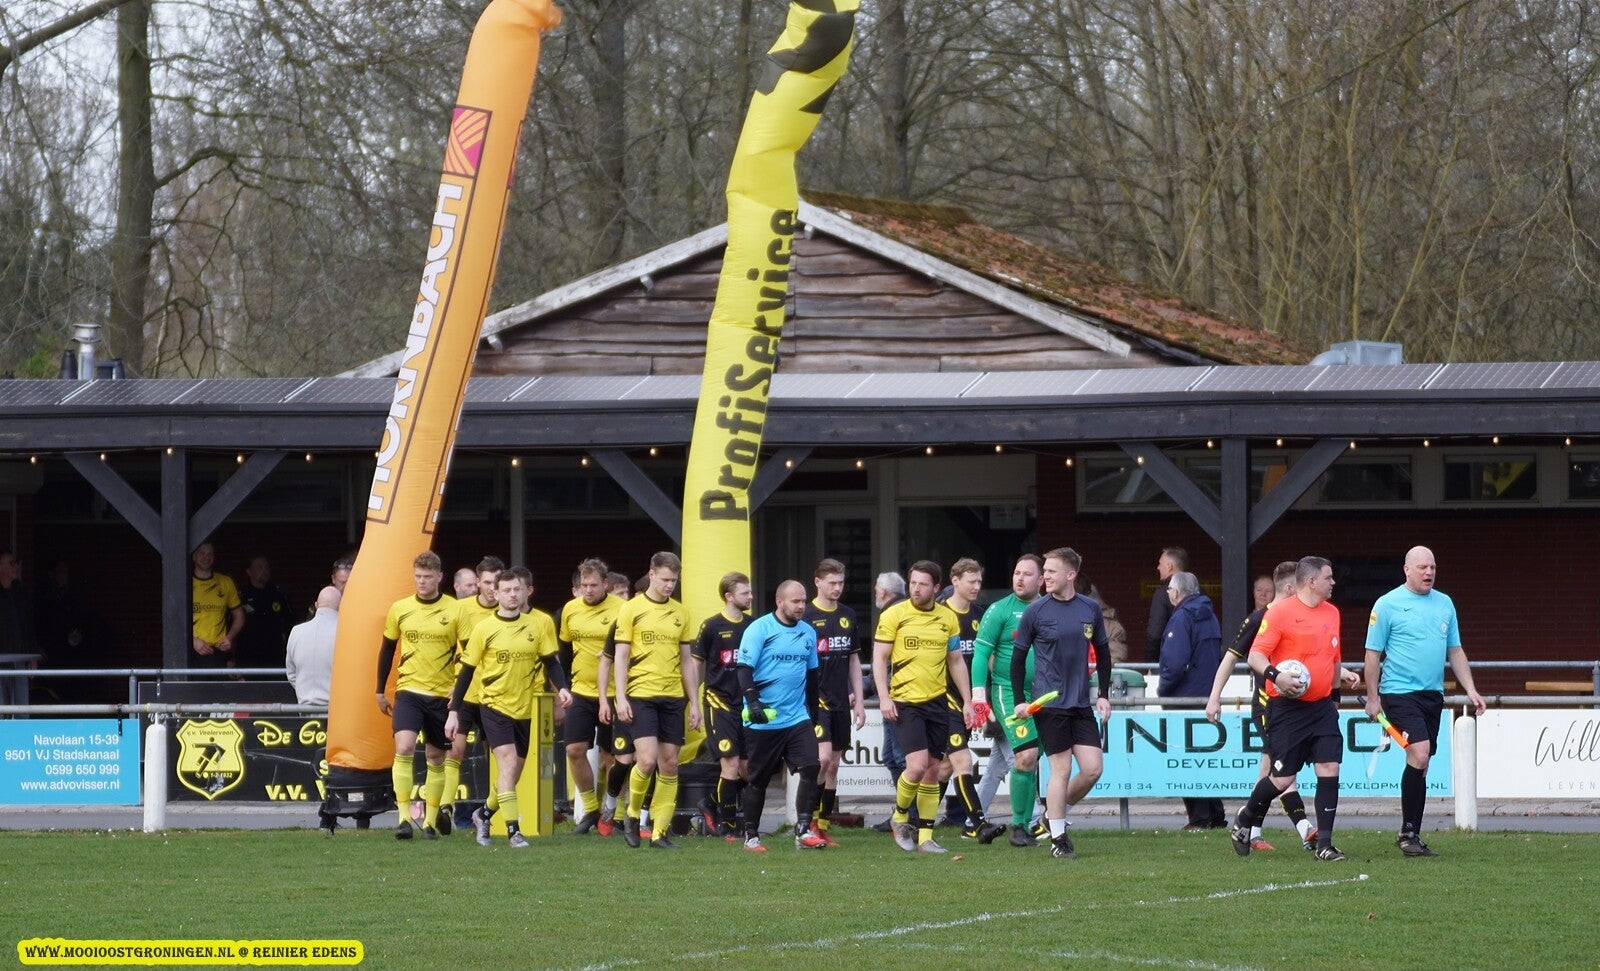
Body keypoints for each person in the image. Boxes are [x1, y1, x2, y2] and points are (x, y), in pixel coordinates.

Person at [1229, 556, 1362, 862]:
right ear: (1311, 582)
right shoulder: (1279, 613)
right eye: (1328, 578)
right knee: (1282, 779)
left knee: (1329, 767)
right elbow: (1256, 656)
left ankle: (1324, 844)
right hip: (1287, 709)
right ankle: (1245, 819)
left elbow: (1334, 658)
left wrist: (1335, 696)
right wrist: (1276, 676)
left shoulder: (1332, 612)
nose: (1333, 583)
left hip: (1322, 707)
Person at [1364, 546, 1486, 858]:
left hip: (1432, 695)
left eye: (1432, 567)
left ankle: (1411, 834)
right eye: (1422, 567)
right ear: (1407, 570)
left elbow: (1455, 650)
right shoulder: (1387, 604)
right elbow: (1372, 655)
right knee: (1419, 753)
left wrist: (1471, 689)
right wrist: (1373, 698)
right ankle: (1408, 834)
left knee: (1422, 761)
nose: (1428, 572)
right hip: (1398, 692)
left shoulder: (1445, 603)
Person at [446, 567, 571, 848]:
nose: (512, 595)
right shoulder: (484, 629)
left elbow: (551, 662)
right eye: (506, 590)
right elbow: (466, 672)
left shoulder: (536, 625)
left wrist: (562, 688)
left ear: (525, 591)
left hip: (524, 709)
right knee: (508, 763)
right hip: (493, 706)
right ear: (496, 593)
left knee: (512, 773)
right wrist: (454, 711)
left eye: (517, 589)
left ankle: (483, 814)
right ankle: (514, 831)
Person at [1205, 561, 1315, 851]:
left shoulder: (1297, 618)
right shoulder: (1259, 618)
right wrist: (1215, 696)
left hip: (1292, 708)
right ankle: (1305, 829)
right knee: (1283, 772)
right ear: (1290, 588)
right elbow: (1230, 657)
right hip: (1267, 707)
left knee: (1269, 772)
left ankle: (1250, 831)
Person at [1012, 547, 1112, 859]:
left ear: (1071, 575)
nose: (1045, 577)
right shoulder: (1036, 611)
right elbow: (1017, 659)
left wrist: (1103, 694)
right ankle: (1059, 839)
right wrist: (1019, 701)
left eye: (1051, 571)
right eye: (1045, 571)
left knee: (1093, 769)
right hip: (1049, 704)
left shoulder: (1089, 609)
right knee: (1062, 769)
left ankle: (1051, 816)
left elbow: (1104, 653)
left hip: (1080, 704)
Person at [873, 560, 974, 854]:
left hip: (938, 702)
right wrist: (884, 697)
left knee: (932, 770)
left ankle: (925, 838)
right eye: (913, 583)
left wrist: (968, 701)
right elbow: (879, 658)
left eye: (923, 584)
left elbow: (956, 661)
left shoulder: (947, 618)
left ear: (936, 588)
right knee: (916, 766)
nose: (916, 589)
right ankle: (900, 816)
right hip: (906, 702)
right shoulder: (894, 614)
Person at [612, 551, 701, 849]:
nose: (669, 585)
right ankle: (632, 814)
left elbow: (686, 660)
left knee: (670, 764)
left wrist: (694, 703)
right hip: (641, 694)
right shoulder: (631, 609)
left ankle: (660, 832)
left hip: (673, 696)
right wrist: (620, 697)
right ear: (651, 574)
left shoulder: (681, 612)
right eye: (664, 579)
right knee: (647, 760)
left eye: (674, 580)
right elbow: (621, 656)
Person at [736, 579, 827, 852]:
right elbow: (743, 668)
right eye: (795, 601)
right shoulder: (759, 628)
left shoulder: (808, 632)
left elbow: (812, 675)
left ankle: (803, 830)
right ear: (780, 602)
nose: (801, 606)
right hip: (763, 718)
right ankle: (751, 836)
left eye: (803, 601)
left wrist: (814, 713)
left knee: (811, 766)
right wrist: (753, 702)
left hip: (796, 717)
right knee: (758, 779)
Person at [375, 550, 458, 840]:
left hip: (441, 695)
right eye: (418, 576)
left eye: (427, 576)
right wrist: (379, 689)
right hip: (409, 690)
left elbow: (468, 653)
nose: (422, 581)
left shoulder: (455, 610)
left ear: (439, 577)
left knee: (436, 757)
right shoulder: (400, 608)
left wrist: (458, 687)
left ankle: (430, 822)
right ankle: (403, 820)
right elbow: (387, 649)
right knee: (405, 747)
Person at [971, 553, 1044, 847]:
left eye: (1027, 574)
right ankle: (1019, 826)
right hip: (1008, 692)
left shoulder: (1050, 609)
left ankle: (1025, 824)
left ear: (1041, 580)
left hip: (1045, 694)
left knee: (1030, 759)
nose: (1019, 579)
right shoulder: (999, 610)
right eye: (1016, 573)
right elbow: (980, 655)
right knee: (1025, 755)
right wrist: (979, 697)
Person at [936, 558, 1003, 842]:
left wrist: (992, 692)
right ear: (955, 581)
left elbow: (989, 656)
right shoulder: (939, 614)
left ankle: (914, 819)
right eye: (971, 581)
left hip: (971, 700)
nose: (977, 587)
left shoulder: (981, 615)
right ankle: (978, 824)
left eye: (979, 581)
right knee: (963, 761)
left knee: (945, 767)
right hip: (944, 700)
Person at [558, 557, 625, 835]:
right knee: (574, 750)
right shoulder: (570, 610)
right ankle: (590, 810)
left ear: (605, 584)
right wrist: (561, 688)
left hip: (613, 693)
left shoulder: (622, 609)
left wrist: (612, 654)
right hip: (581, 692)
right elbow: (563, 651)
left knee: (613, 757)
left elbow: (630, 649)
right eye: (584, 585)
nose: (588, 590)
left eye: (593, 585)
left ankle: (614, 813)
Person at [802, 558, 865, 847]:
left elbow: (853, 660)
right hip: (815, 701)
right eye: (832, 583)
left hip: (841, 701)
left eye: (841, 583)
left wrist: (860, 701)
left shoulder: (847, 615)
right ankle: (808, 822)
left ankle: (823, 824)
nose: (837, 588)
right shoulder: (805, 615)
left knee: (834, 765)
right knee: (822, 759)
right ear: (818, 582)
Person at [1159, 570, 1226, 830]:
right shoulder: (1210, 616)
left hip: (1183, 697)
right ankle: (1215, 814)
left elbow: (1174, 663)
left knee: (1186, 759)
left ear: (1176, 593)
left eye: (1169, 590)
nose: (1168, 594)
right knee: (1203, 758)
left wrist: (1163, 689)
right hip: (1206, 694)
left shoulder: (1181, 618)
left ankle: (1199, 818)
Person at [446, 556, 505, 838]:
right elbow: (447, 647)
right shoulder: (461, 609)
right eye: (487, 582)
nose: (492, 588)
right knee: (455, 750)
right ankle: (445, 810)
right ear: (478, 582)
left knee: (498, 757)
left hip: (495, 696)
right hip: (466, 692)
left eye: (497, 582)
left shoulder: (508, 612)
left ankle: (491, 814)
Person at [692, 571, 753, 840]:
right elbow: (695, 665)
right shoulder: (711, 626)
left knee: (749, 770)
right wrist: (693, 703)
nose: (750, 597)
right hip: (719, 703)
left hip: (747, 706)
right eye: (745, 593)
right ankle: (728, 828)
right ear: (729, 596)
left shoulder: (754, 625)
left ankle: (710, 803)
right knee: (730, 764)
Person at [868, 570, 909, 833]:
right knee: (891, 757)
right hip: (893, 693)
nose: (875, 592)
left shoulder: (893, 614)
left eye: (876, 588)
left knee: (900, 758)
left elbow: (885, 659)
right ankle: (902, 812)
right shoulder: (900, 610)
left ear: (882, 592)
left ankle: (908, 815)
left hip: (898, 695)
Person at [234, 555, 294, 674]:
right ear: (249, 572)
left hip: (274, 655)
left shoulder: (278, 593)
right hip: (248, 657)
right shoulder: (241, 596)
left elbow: (291, 619)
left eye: (266, 567)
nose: (265, 571)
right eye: (260, 567)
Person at [190, 542, 244, 670]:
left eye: (210, 554)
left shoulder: (225, 582)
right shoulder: (185, 583)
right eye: (202, 553)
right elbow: (174, 618)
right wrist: (192, 641)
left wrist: (229, 637)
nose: (206, 557)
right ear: (194, 556)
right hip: (193, 652)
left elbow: (239, 615)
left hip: (219, 652)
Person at [286, 585, 340, 705]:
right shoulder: (345, 632)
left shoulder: (296, 631)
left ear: (316, 605)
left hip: (305, 707)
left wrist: (304, 692)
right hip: (336, 709)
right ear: (341, 606)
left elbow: (291, 673)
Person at [1144, 546, 1187, 663]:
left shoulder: (1163, 593)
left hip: (1170, 663)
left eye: (1160, 563)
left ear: (1169, 567)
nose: (1158, 567)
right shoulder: (1201, 594)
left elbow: (1155, 634)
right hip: (1198, 664)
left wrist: (1150, 663)